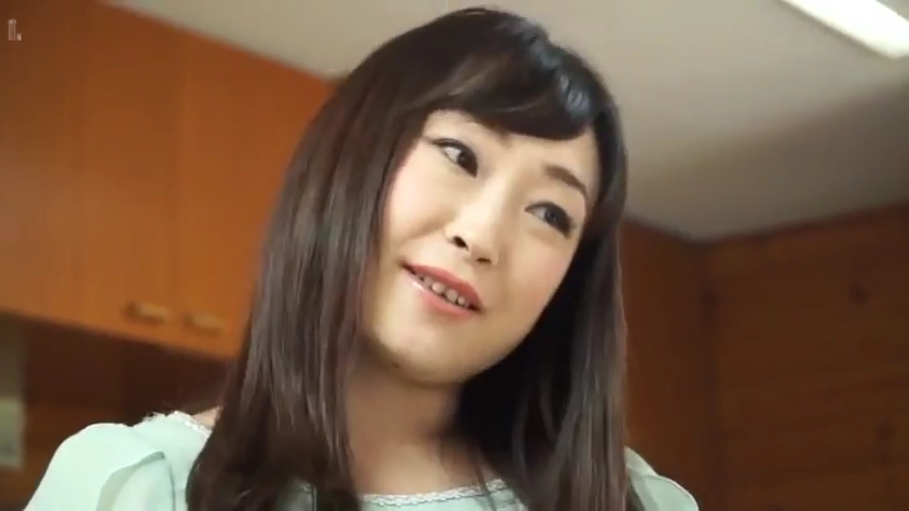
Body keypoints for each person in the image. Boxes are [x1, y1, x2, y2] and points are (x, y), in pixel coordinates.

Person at [25, 7, 698, 511]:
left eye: (550, 214)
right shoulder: (134, 487)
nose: (482, 236)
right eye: (460, 156)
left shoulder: (637, 501)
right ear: (350, 162)